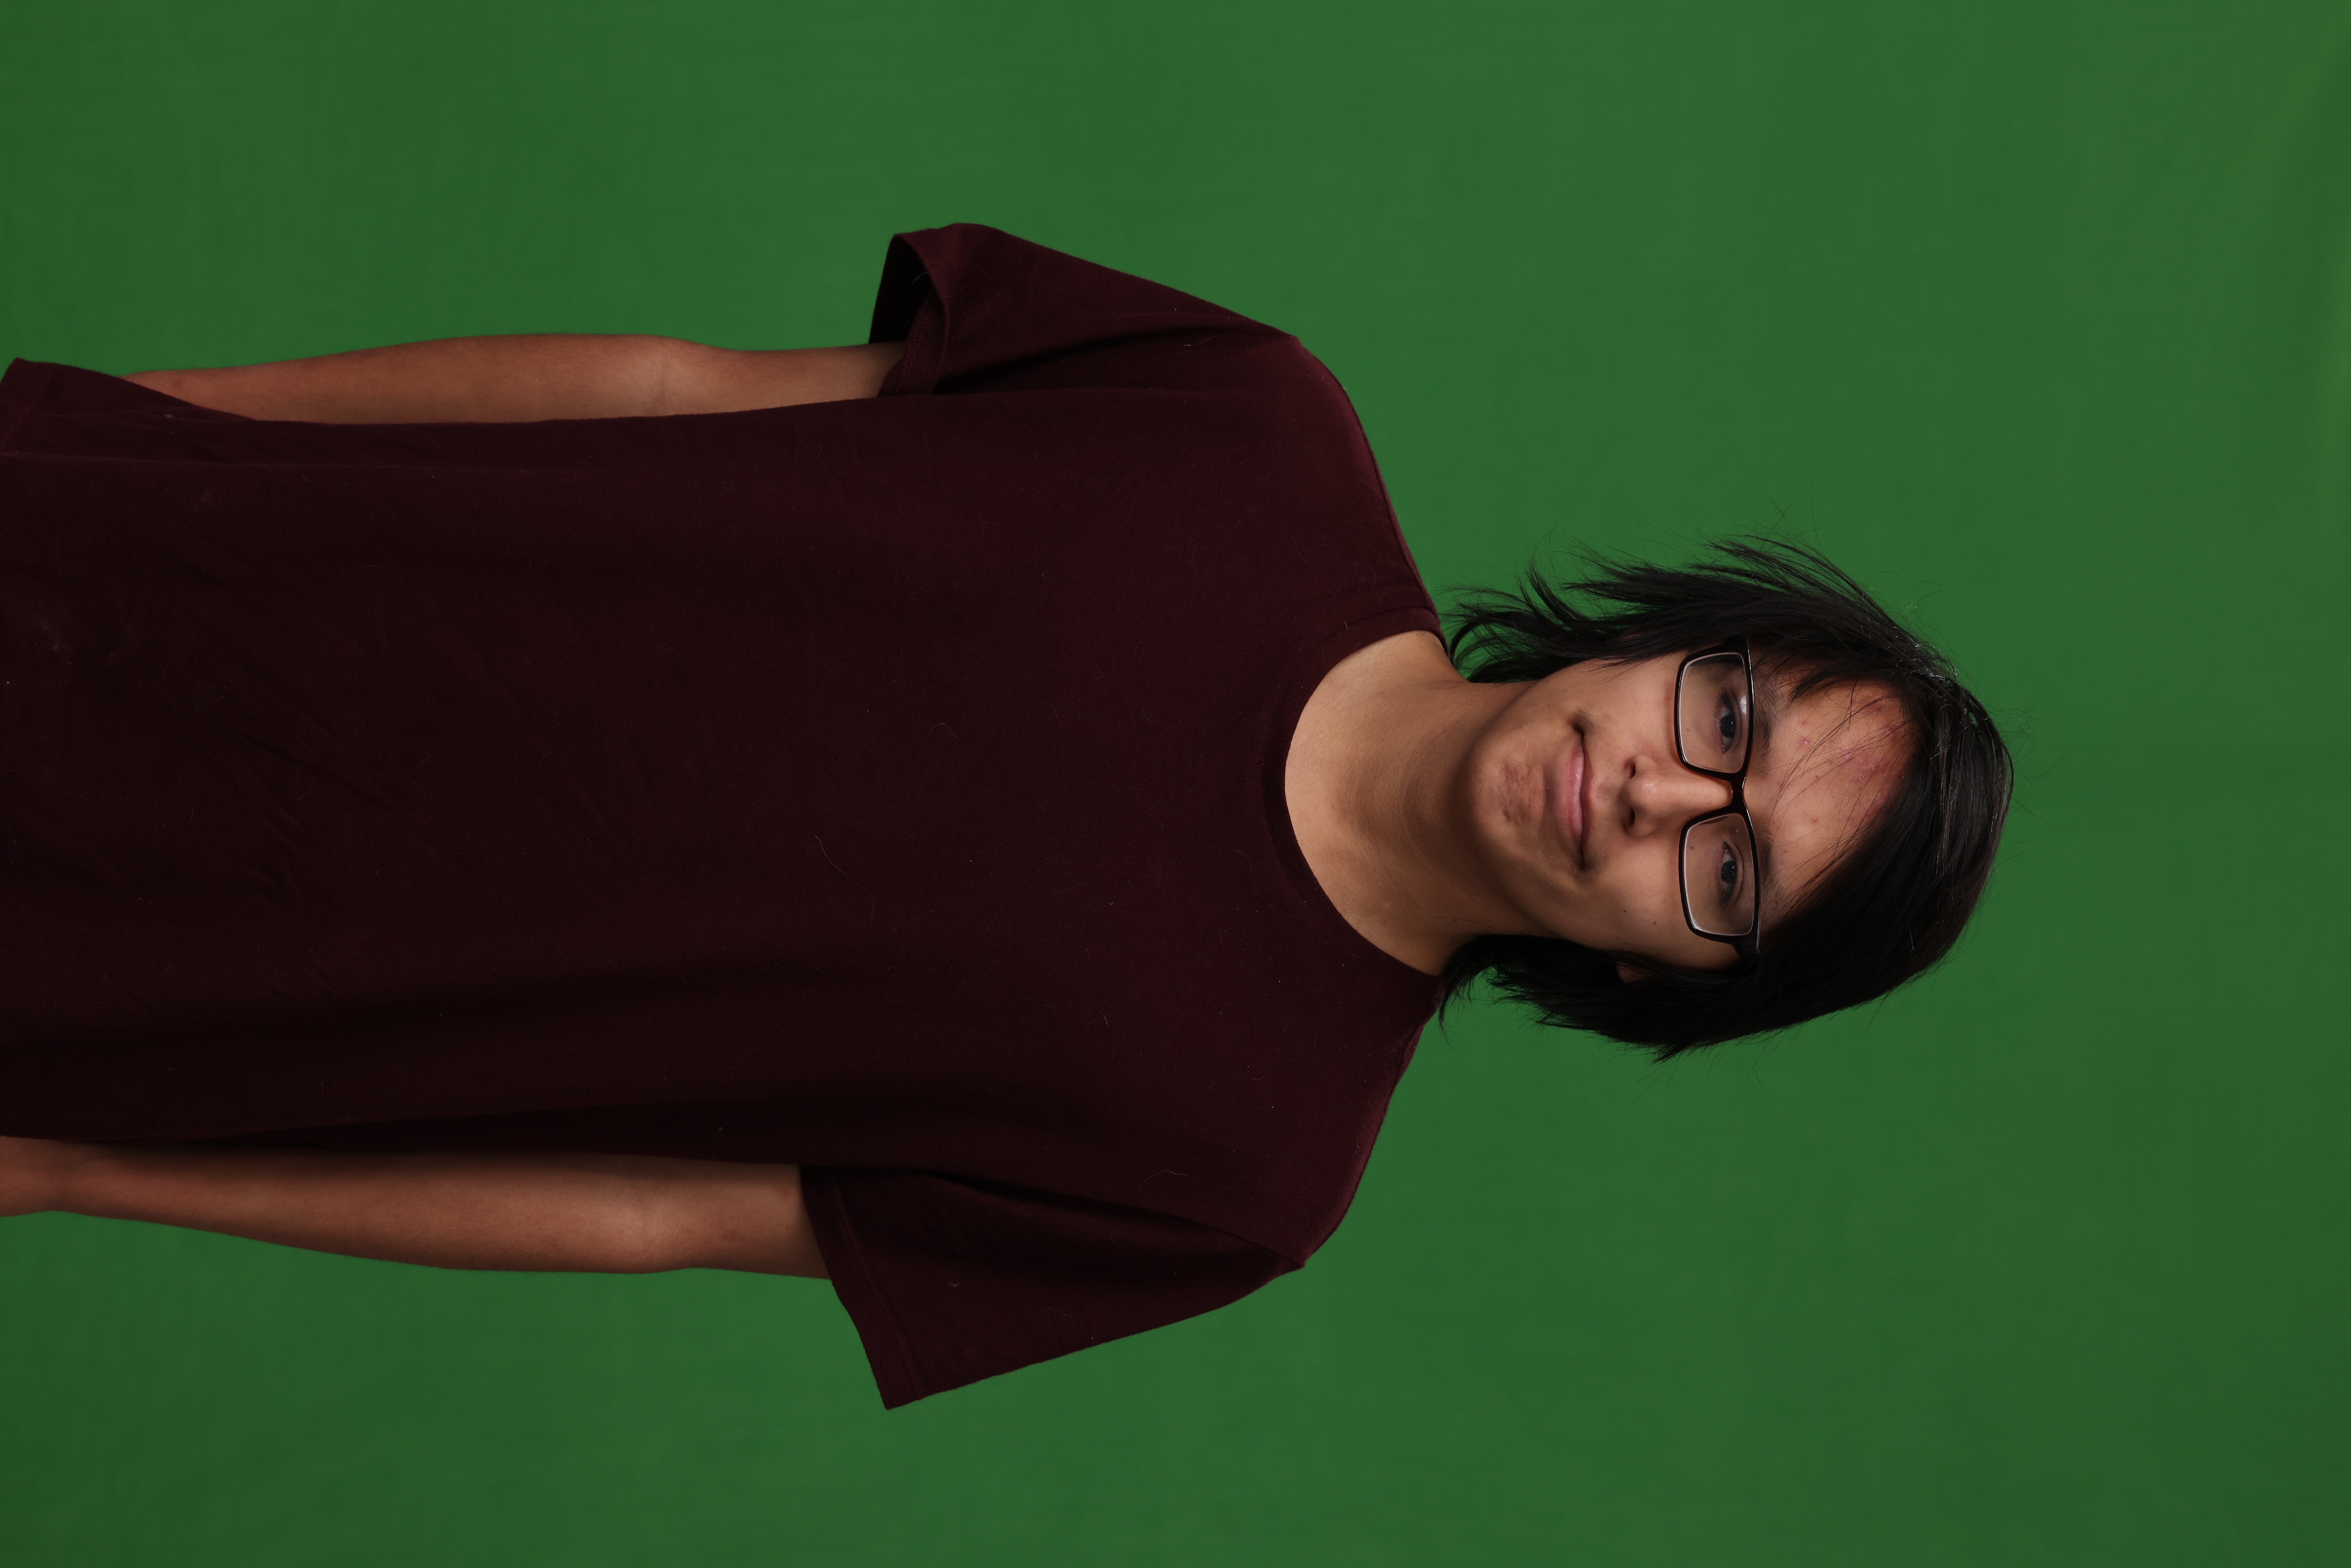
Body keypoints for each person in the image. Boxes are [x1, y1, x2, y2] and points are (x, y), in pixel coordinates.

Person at [0, 225, 2010, 1405]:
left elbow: (649, 1215)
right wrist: (128, 420)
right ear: (1676, 640)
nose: (1655, 789)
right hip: (115, 558)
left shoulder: (1240, 1177)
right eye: (1724, 716)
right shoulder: (1251, 422)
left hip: (140, 986)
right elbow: (673, 384)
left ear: (1672, 980)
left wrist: (80, 1170)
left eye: (1723, 868)